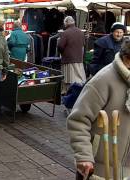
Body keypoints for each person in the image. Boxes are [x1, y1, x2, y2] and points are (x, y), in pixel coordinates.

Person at [67, 39, 130, 179]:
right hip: (100, 167)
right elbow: (78, 120)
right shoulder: (103, 80)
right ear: (127, 58)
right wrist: (84, 156)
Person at [57, 16, 86, 94]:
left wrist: (62, 53)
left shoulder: (65, 33)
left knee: (68, 78)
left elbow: (60, 46)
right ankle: (79, 91)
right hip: (79, 59)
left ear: (66, 23)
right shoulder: (80, 32)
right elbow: (83, 45)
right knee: (79, 77)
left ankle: (67, 92)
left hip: (68, 59)